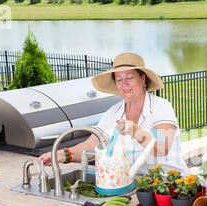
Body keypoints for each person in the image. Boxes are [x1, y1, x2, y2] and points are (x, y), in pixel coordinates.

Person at [39, 52, 189, 176]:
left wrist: (134, 130)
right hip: (136, 183)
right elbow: (91, 146)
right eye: (119, 80)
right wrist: (62, 154)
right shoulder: (114, 113)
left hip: (171, 184)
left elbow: (162, 147)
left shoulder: (161, 107)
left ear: (142, 79)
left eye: (130, 78)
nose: (124, 84)